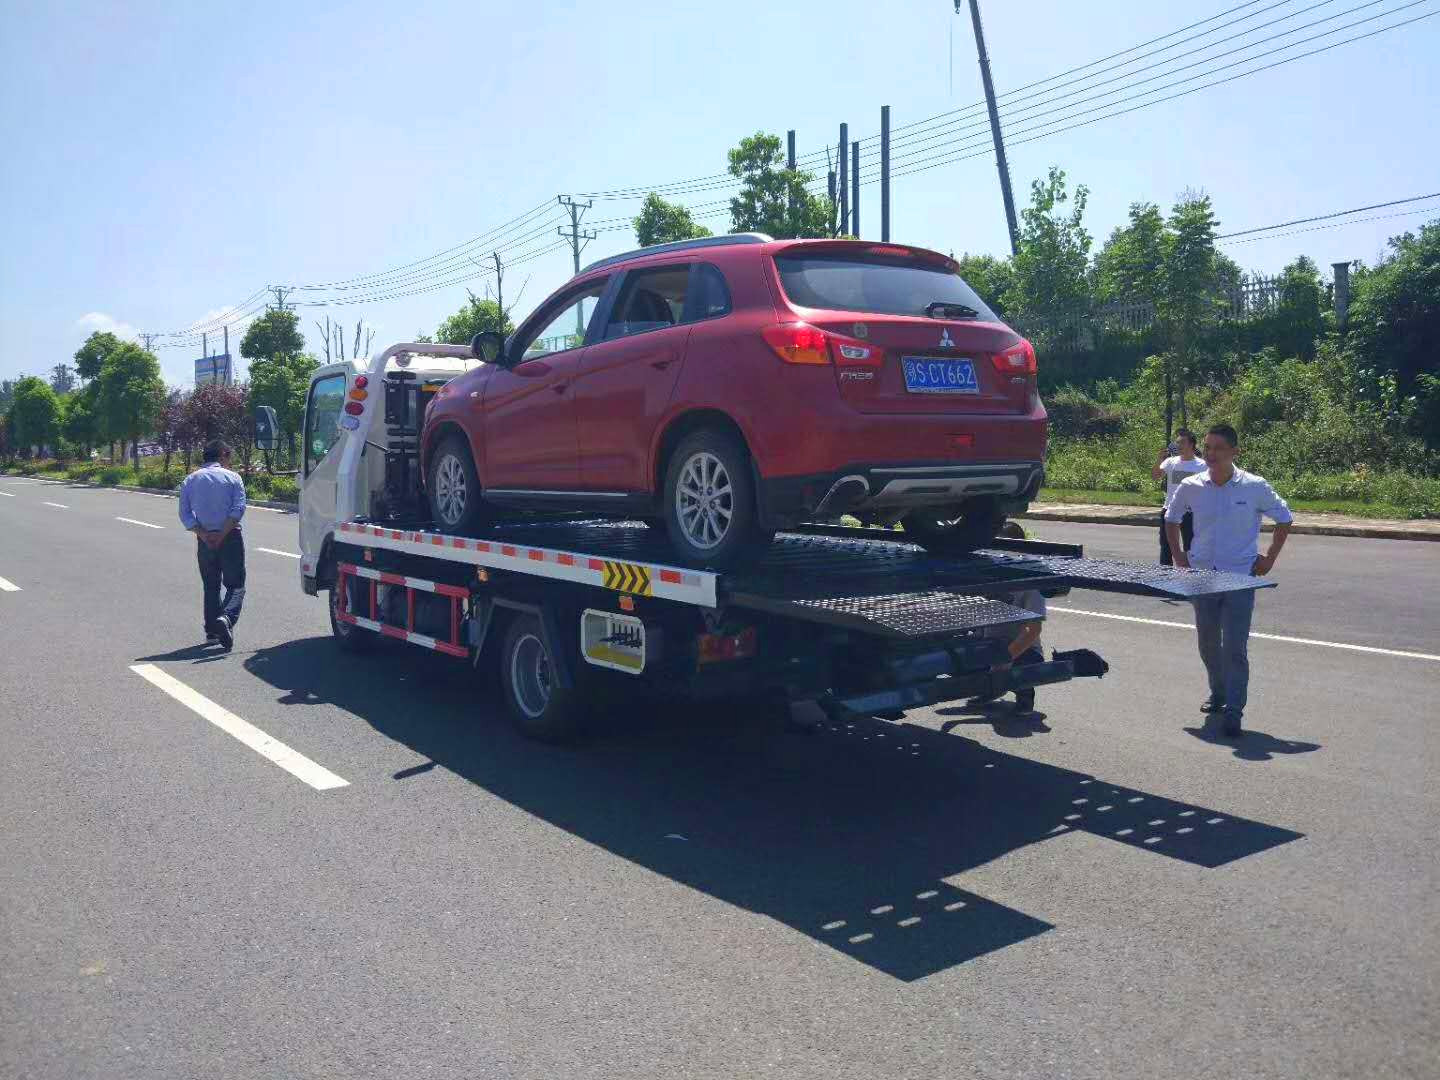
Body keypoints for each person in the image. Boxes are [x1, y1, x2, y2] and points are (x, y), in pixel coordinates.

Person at [1165, 424, 1293, 738]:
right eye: (1207, 447)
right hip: (1202, 577)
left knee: (1235, 647)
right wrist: (1179, 557)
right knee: (1208, 643)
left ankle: (1234, 710)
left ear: (1235, 452)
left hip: (1239, 578)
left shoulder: (1254, 486)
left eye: (1218, 448)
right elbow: (1171, 518)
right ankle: (1218, 693)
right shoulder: (1192, 484)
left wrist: (1269, 558)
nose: (1211, 454)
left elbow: (1284, 519)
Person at [178, 440, 247, 650]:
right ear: (223, 455)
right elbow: (238, 509)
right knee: (236, 585)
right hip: (230, 537)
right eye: (229, 456)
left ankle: (211, 632)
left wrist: (205, 535)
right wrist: (222, 533)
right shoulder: (233, 477)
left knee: (211, 585)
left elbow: (185, 514)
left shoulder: (190, 480)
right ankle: (226, 619)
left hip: (204, 539)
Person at [1153, 428, 1205, 565]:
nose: (1178, 446)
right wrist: (1159, 459)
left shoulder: (1202, 466)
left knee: (1191, 548)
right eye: (1177, 443)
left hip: (1191, 513)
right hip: (1169, 510)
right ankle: (1164, 579)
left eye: (1182, 443)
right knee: (1166, 547)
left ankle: (1191, 580)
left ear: (1192, 445)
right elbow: (1155, 476)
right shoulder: (1171, 462)